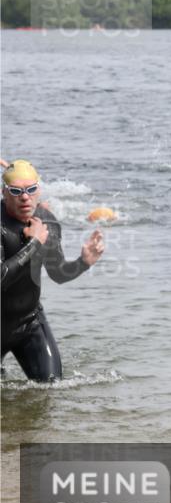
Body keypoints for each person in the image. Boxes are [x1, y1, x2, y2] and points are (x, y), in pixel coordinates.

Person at [1, 160, 105, 381]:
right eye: (16, 191)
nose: (25, 197)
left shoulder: (48, 221)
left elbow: (58, 273)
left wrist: (83, 262)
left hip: (28, 322)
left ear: (39, 190)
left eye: (30, 189)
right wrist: (35, 244)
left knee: (51, 387)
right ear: (4, 193)